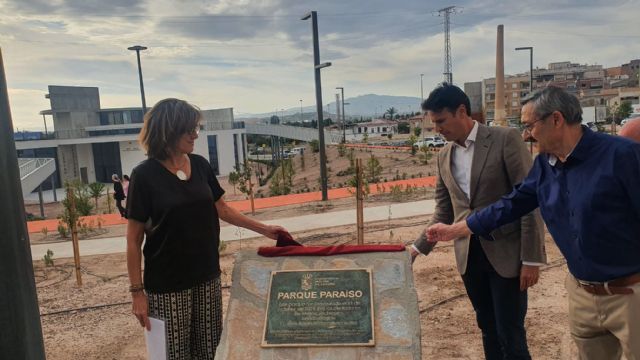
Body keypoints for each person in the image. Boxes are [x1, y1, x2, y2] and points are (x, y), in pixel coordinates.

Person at [428, 86, 640, 360]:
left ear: (556, 119)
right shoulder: (545, 166)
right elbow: (511, 204)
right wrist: (458, 229)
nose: (526, 134)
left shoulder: (623, 156)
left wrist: (530, 259)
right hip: (583, 295)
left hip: (630, 295)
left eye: (530, 125)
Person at [126, 98, 291, 359]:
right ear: (169, 130)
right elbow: (133, 240)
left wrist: (265, 229)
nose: (195, 134)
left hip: (207, 277)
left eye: (196, 128)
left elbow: (222, 209)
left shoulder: (200, 165)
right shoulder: (144, 176)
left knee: (209, 351)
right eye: (189, 129)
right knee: (172, 355)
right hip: (167, 285)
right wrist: (137, 293)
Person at [411, 83, 546, 360]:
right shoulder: (443, 156)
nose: (437, 129)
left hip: (507, 255)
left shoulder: (505, 139)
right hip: (469, 256)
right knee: (487, 328)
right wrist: (416, 249)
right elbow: (444, 212)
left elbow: (529, 201)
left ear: (461, 111)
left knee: (511, 333)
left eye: (440, 121)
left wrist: (532, 259)